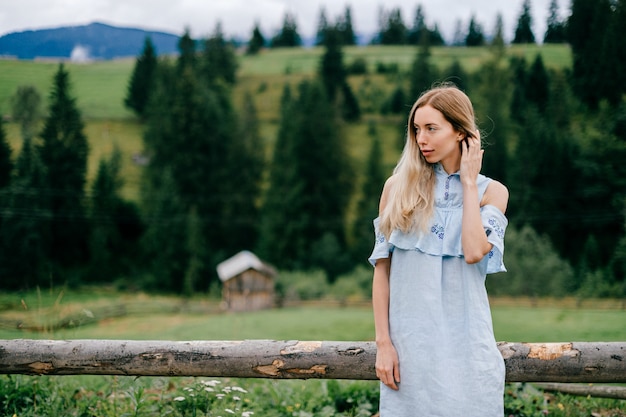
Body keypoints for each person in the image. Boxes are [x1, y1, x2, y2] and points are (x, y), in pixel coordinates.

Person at [369, 84, 509, 417]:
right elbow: (381, 270)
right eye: (417, 129)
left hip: (468, 345)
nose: (422, 139)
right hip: (408, 350)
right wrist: (383, 344)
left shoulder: (494, 193)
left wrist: (469, 183)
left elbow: (475, 251)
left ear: (461, 132)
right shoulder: (396, 188)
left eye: (432, 128)